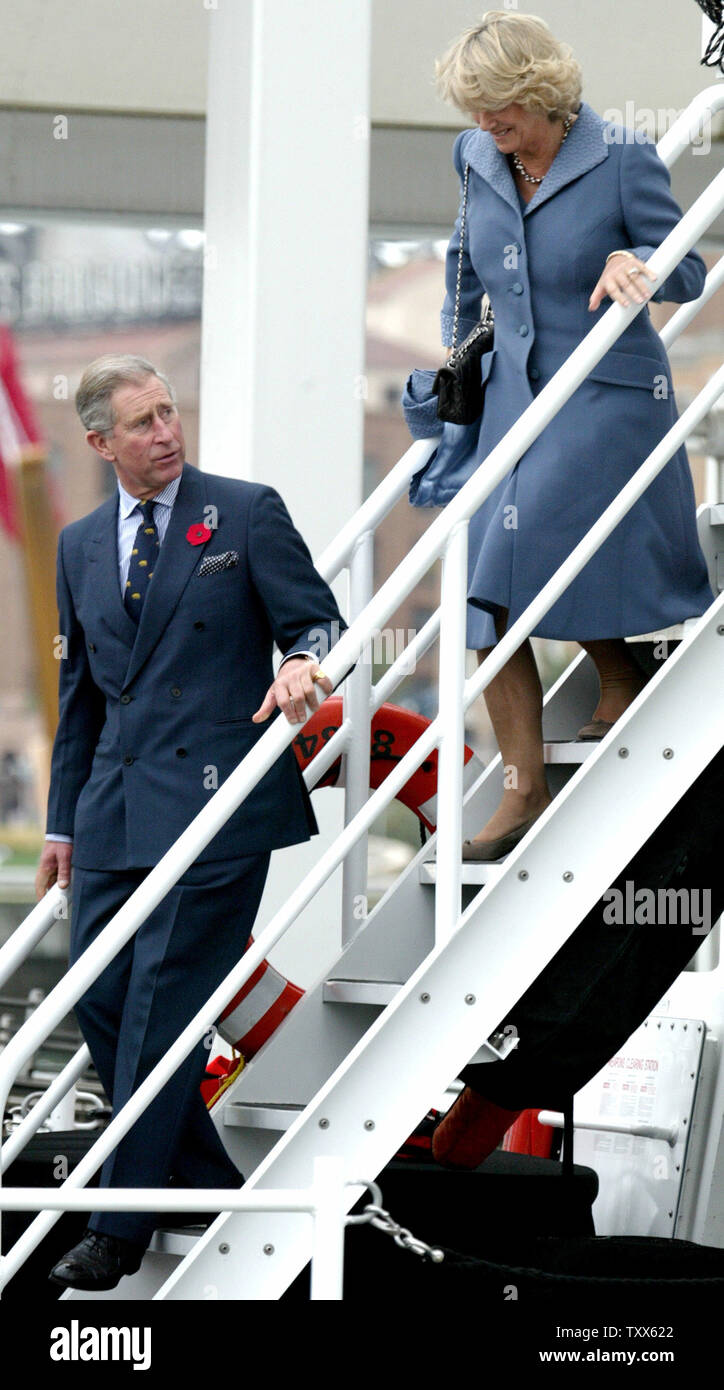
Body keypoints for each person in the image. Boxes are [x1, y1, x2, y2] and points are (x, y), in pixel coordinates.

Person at [35, 354, 345, 1290]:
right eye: (142, 422)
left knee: (163, 1007)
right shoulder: (81, 543)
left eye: (169, 412)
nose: (166, 431)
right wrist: (61, 825)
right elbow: (79, 695)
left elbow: (317, 620)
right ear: (100, 443)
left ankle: (116, 1230)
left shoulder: (245, 511)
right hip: (113, 814)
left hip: (217, 812)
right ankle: (204, 1177)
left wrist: (301, 662)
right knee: (97, 997)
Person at [403, 11, 713, 865]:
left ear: (539, 93)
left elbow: (685, 266)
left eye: (498, 109)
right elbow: (467, 253)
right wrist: (455, 346)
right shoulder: (478, 157)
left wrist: (631, 263)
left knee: (512, 560)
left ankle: (597, 704)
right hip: (512, 395)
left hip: (606, 396)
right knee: (479, 575)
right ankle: (528, 778)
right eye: (474, 112)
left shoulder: (620, 158)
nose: (485, 127)